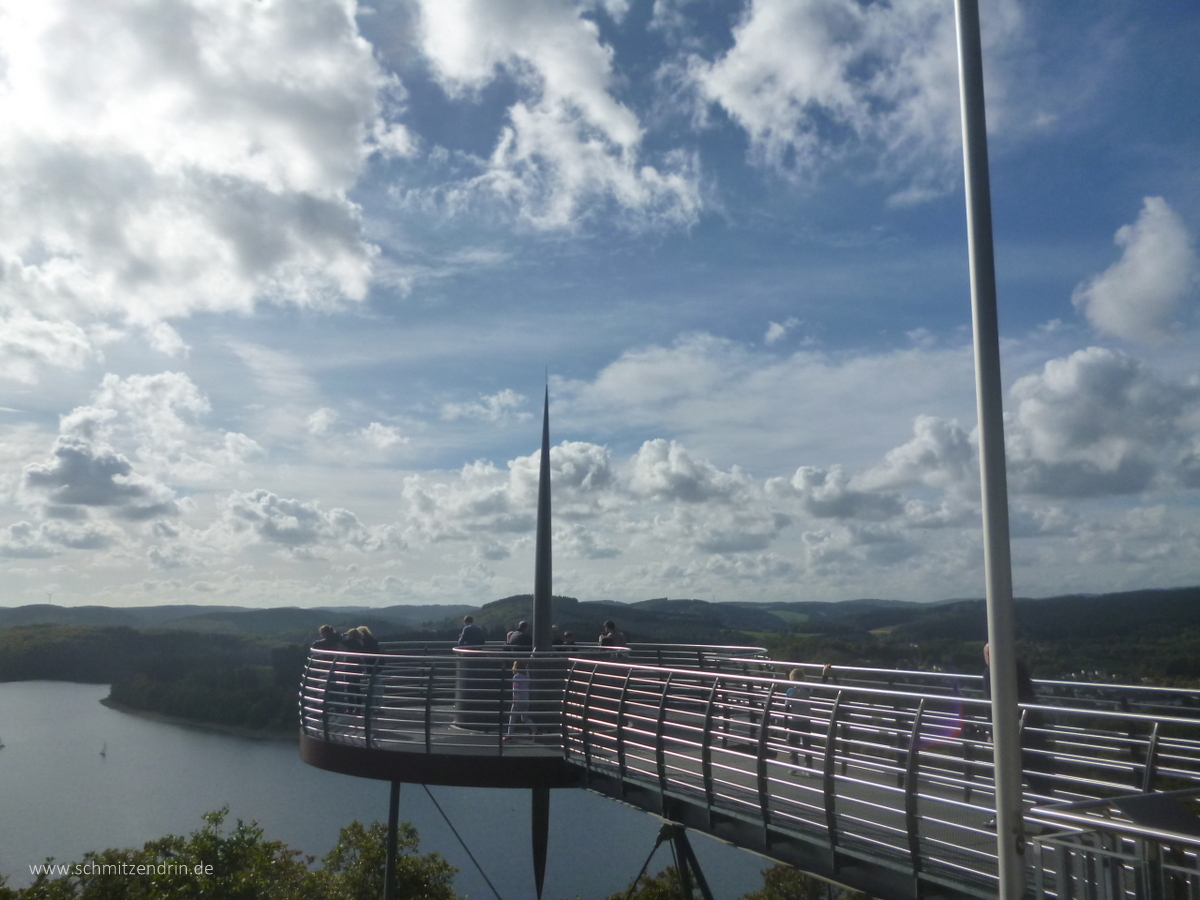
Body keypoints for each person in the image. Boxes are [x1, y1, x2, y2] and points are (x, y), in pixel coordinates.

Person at [982, 643, 1055, 797]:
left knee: (1004, 772)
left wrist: (992, 733)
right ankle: (1047, 808)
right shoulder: (1018, 667)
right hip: (1032, 725)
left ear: (989, 656)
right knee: (1037, 770)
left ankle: (1004, 814)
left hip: (1008, 730)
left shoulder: (991, 672)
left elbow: (991, 706)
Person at [784, 668, 814, 772]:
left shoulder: (790, 691)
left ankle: (794, 765)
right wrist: (824, 674)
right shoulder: (807, 689)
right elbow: (820, 688)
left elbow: (787, 707)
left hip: (794, 720)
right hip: (806, 720)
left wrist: (785, 721)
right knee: (806, 743)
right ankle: (808, 766)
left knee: (791, 741)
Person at [504, 659, 535, 741]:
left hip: (518, 701)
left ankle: (509, 735)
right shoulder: (527, 676)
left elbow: (516, 691)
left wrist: (515, 701)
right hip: (526, 700)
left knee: (512, 717)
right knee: (525, 718)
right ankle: (535, 731)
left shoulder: (516, 677)